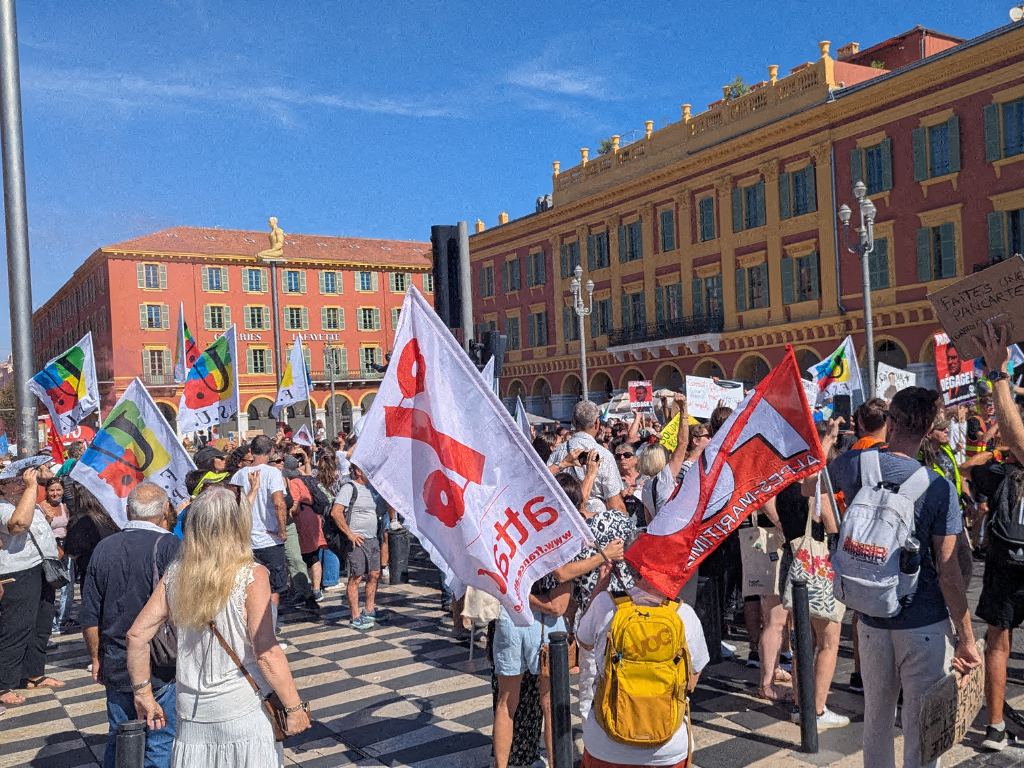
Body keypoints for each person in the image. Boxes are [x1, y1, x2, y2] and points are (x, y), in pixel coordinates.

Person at [827, 386, 980, 768]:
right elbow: (949, 573)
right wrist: (966, 639)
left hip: (870, 618)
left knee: (876, 722)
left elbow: (811, 487)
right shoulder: (938, 487)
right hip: (924, 622)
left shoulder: (853, 465)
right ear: (929, 429)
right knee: (923, 730)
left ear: (890, 422)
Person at [126, 486, 311, 766]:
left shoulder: (177, 573)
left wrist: (143, 693)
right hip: (243, 709)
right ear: (238, 524)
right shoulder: (252, 575)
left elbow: (137, 635)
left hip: (192, 712)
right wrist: (294, 706)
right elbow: (266, 652)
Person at [81, 483, 180, 768]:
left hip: (116, 660)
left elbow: (90, 616)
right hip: (160, 663)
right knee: (160, 737)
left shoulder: (104, 548)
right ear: (166, 511)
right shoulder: (173, 547)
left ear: (128, 511)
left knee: (120, 735)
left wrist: (95, 658)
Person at [577, 558, 710, 768]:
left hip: (606, 745)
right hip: (667, 746)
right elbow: (692, 680)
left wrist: (601, 587)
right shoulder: (684, 614)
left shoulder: (605, 603)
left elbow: (583, 642)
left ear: (634, 570)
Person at [974, 323, 1024, 750]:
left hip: (1009, 554)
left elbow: (1014, 438)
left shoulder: (1006, 461)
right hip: (1012, 555)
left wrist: (999, 374)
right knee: (999, 639)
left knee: (998, 640)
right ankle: (994, 725)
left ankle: (994, 727)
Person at [0, 466, 65, 706]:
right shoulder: (3, 507)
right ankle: (4, 683)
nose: (20, 483)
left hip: (42, 568)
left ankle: (34, 673)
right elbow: (18, 525)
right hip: (17, 571)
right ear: (2, 487)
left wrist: (40, 475)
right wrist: (29, 487)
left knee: (41, 623)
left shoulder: (29, 500)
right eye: (13, 481)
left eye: (21, 479)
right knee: (16, 627)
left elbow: (47, 478)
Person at [328, 464, 389, 630]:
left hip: (372, 538)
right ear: (358, 471)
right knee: (357, 576)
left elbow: (381, 510)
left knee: (375, 574)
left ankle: (369, 610)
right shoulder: (349, 488)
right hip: (356, 540)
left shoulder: (372, 490)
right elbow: (336, 512)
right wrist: (350, 534)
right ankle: (355, 616)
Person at [229, 435, 288, 606]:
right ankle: (270, 623)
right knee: (273, 588)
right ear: (271, 451)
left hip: (246, 540)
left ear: (250, 451)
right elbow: (279, 503)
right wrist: (282, 531)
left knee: (249, 588)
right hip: (269, 540)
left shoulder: (238, 476)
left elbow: (234, 508)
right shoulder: (273, 473)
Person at [547, 401, 626, 514]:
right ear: (597, 423)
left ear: (573, 422)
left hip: (562, 517)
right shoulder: (604, 456)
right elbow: (615, 504)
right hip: (596, 520)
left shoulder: (557, 452)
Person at [289, 451, 326, 609]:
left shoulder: (293, 482)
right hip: (314, 518)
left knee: (302, 557)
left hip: (302, 521)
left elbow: (295, 506)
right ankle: (317, 589)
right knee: (314, 555)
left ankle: (304, 590)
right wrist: (305, 456)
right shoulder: (306, 477)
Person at [64, 489, 121, 585]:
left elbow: (72, 551)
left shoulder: (79, 521)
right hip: (113, 567)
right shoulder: (109, 517)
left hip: (90, 570)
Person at [40, 477, 73, 634]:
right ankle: (51, 621)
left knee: (68, 585)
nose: (55, 493)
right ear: (46, 491)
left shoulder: (64, 506)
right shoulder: (40, 508)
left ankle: (64, 618)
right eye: (52, 490)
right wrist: (47, 521)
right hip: (50, 550)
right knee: (51, 585)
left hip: (64, 547)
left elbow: (66, 527)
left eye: (58, 490)